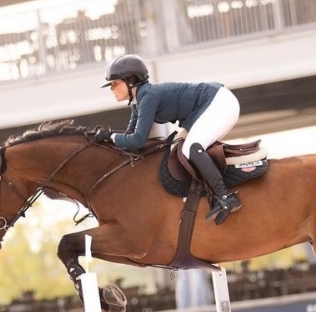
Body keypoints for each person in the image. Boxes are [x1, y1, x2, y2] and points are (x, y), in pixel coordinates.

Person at [94, 54, 242, 225]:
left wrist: (111, 136)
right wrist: (108, 140)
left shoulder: (148, 96)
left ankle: (225, 196)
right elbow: (130, 138)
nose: (112, 88)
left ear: (131, 80)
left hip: (219, 103)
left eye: (114, 83)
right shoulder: (138, 102)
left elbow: (138, 140)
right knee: (177, 150)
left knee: (191, 148)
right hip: (208, 106)